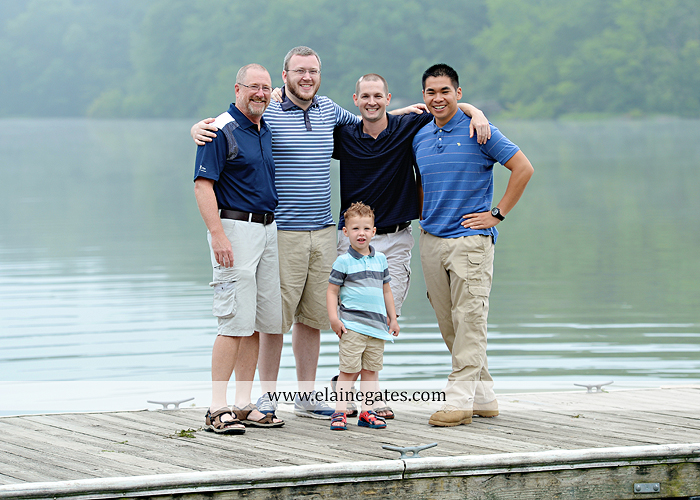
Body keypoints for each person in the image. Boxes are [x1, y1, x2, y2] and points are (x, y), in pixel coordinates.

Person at [193, 47, 360, 419]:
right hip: (279, 230)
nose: (307, 77)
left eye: (313, 71)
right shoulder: (264, 113)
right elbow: (225, 126)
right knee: (265, 320)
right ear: (284, 77)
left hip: (321, 228)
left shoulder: (327, 110)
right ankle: (254, 398)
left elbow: (371, 119)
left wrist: (413, 111)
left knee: (308, 317)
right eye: (299, 71)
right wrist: (197, 127)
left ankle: (301, 395)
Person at [331, 73, 491, 419]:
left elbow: (443, 105)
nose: (372, 101)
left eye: (378, 96)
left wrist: (476, 112)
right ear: (355, 100)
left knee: (388, 316)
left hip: (398, 239)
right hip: (352, 241)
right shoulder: (342, 135)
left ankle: (355, 387)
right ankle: (361, 392)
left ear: (388, 98)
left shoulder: (407, 127)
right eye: (365, 96)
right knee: (354, 317)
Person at [413, 64, 534, 427]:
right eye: (431, 92)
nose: (438, 98)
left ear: (458, 93)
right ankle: (483, 397)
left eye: (445, 91)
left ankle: (459, 402)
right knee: (449, 324)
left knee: (470, 321)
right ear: (424, 96)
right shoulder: (419, 136)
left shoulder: (479, 130)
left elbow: (523, 168)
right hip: (431, 239)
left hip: (469, 242)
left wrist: (497, 213)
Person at [193, 63, 284, 433]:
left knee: (258, 323)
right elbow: (202, 186)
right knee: (232, 322)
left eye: (266, 88)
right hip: (234, 229)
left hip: (267, 229)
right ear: (237, 89)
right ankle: (217, 408)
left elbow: (281, 93)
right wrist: (217, 234)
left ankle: (245, 404)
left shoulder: (262, 125)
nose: (260, 93)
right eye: (253, 88)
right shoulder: (219, 130)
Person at [326, 202, 399, 431]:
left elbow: (386, 290)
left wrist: (392, 318)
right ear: (346, 232)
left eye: (366, 229)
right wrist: (334, 319)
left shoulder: (381, 260)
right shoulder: (343, 262)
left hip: (376, 329)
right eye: (356, 229)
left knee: (370, 372)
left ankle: (367, 412)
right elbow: (331, 291)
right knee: (348, 371)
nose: (361, 234)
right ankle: (339, 412)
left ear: (374, 231)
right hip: (352, 327)